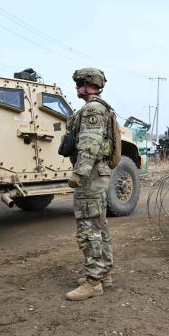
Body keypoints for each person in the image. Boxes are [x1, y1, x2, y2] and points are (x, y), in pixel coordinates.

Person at [65, 67, 114, 301]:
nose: (76, 88)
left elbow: (89, 144)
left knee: (88, 228)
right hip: (98, 172)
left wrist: (78, 172)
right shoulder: (102, 108)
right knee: (99, 224)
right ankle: (104, 273)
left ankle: (93, 281)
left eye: (79, 83)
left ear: (89, 84)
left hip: (91, 175)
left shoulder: (92, 109)